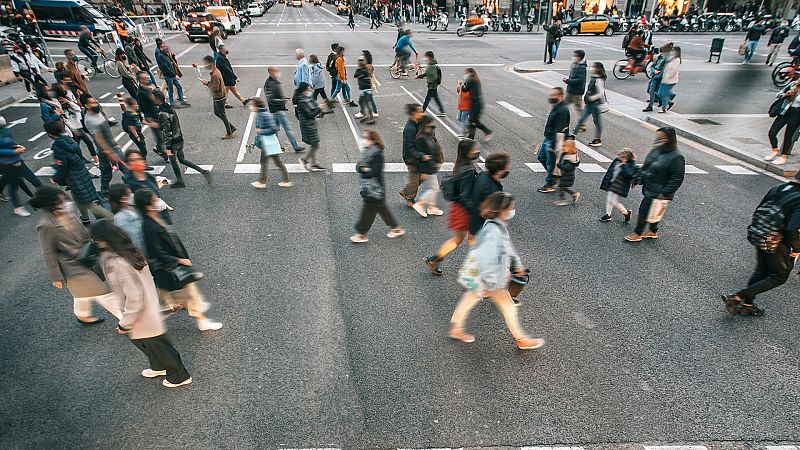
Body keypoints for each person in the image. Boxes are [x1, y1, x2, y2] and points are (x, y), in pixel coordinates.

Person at [91, 219, 193, 388]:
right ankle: (159, 366)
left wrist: (125, 323)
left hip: (140, 314)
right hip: (148, 308)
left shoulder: (117, 263)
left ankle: (179, 376)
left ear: (103, 240)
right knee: (150, 343)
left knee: (157, 346)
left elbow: (134, 296)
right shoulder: (128, 251)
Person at [449, 191, 544, 350]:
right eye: (511, 207)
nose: (513, 210)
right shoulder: (493, 231)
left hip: (485, 277)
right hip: (490, 278)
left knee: (470, 298)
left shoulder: (497, 225)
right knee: (508, 307)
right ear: (501, 210)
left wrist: (518, 265)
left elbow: (508, 247)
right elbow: (487, 259)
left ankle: (456, 328)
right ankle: (521, 339)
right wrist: (492, 284)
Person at [135, 188, 223, 331]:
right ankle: (202, 321)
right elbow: (156, 252)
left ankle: (149, 318)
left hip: (169, 269)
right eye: (154, 200)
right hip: (170, 268)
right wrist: (180, 261)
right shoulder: (148, 226)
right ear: (148, 205)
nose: (158, 201)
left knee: (172, 299)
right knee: (190, 295)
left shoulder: (154, 218)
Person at [31, 185, 121, 325]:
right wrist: (56, 276)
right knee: (102, 291)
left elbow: (84, 232)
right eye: (60, 199)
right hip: (71, 265)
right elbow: (48, 252)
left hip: (86, 256)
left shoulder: (68, 213)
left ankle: (82, 315)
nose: (64, 201)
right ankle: (127, 320)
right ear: (51, 204)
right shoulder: (46, 225)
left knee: (84, 292)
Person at [721, 174, 800, 316]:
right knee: (779, 277)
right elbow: (792, 228)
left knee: (761, 271)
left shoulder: (779, 188)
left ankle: (747, 304)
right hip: (776, 241)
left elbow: (760, 208)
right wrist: (796, 248)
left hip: (759, 233)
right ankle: (737, 297)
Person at [425, 139, 480, 275]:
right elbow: (465, 195)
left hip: (458, 208)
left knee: (459, 240)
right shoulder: (467, 169)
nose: (478, 151)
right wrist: (475, 213)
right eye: (475, 149)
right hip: (464, 210)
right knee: (473, 241)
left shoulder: (461, 165)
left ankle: (434, 259)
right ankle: (474, 274)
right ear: (468, 152)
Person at [625, 127, 685, 242]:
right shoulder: (656, 149)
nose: (658, 140)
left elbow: (677, 178)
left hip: (660, 190)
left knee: (644, 210)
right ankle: (653, 231)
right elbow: (647, 166)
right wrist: (637, 178)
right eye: (658, 137)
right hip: (650, 185)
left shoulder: (677, 157)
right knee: (655, 211)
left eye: (661, 138)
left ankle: (637, 233)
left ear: (669, 139)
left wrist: (665, 193)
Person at [46, 120, 112, 223]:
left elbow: (63, 167)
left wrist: (55, 178)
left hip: (74, 178)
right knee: (77, 197)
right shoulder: (70, 141)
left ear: (50, 134)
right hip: (81, 173)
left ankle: (111, 217)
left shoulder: (58, 148)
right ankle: (85, 218)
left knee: (88, 203)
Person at [350, 129, 406, 243]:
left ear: (373, 140)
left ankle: (361, 234)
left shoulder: (377, 154)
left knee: (368, 211)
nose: (363, 140)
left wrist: (364, 170)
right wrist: (363, 169)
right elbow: (359, 166)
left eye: (366, 138)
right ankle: (396, 228)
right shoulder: (367, 151)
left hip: (375, 189)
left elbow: (374, 172)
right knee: (381, 208)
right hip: (370, 187)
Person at [154, 90, 212, 188]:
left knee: (173, 161)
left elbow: (167, 131)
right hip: (179, 138)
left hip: (172, 143)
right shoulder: (170, 108)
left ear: (157, 99)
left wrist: (167, 147)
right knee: (182, 159)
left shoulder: (162, 113)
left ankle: (180, 180)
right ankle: (203, 171)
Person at [83, 94, 123, 196]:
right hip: (106, 150)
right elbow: (98, 138)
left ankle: (104, 190)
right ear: (86, 106)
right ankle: (104, 191)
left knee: (108, 171)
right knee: (108, 172)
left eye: (95, 101)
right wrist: (109, 151)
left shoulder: (97, 112)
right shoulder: (89, 120)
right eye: (92, 103)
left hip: (111, 146)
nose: (95, 104)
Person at [0, 116, 40, 216]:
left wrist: (16, 146)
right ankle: (17, 207)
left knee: (34, 179)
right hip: (6, 164)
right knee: (14, 184)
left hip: (17, 160)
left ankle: (48, 198)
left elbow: (9, 141)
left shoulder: (5, 129)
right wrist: (13, 151)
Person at [250, 97, 292, 189]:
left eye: (252, 105)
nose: (251, 107)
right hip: (267, 142)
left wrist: (261, 131)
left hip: (268, 143)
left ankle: (262, 182)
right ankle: (285, 180)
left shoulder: (263, 115)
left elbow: (274, 129)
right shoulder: (261, 114)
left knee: (266, 162)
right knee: (274, 162)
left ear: (256, 106)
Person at [264, 66, 305, 152]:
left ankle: (274, 146)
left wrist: (282, 98)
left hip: (276, 110)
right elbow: (271, 99)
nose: (278, 73)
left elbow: (274, 96)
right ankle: (295, 146)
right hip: (278, 110)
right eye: (276, 71)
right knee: (288, 128)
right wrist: (282, 101)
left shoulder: (273, 81)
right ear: (270, 72)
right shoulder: (269, 83)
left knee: (275, 130)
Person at [537, 87, 570, 193]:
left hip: (553, 140)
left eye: (553, 95)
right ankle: (556, 176)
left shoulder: (562, 110)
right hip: (548, 138)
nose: (551, 97)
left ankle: (549, 184)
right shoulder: (557, 106)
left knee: (551, 163)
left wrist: (554, 145)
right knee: (541, 157)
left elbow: (560, 130)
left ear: (560, 96)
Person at [411, 116, 444, 217]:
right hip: (427, 168)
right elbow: (419, 155)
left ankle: (431, 208)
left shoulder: (429, 135)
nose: (433, 127)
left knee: (433, 188)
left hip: (431, 167)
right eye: (431, 125)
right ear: (425, 125)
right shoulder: (421, 139)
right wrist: (424, 171)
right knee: (433, 189)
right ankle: (420, 204)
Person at [470, 151, 510, 235]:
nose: (509, 168)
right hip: (481, 228)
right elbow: (490, 213)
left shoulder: (483, 174)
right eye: (506, 167)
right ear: (499, 171)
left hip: (475, 221)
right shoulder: (490, 191)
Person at [200, 55, 236, 139]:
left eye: (206, 63)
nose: (205, 65)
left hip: (219, 97)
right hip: (219, 96)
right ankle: (231, 127)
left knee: (223, 115)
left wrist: (207, 83)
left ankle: (229, 132)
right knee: (217, 113)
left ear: (211, 63)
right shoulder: (216, 71)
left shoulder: (215, 74)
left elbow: (215, 88)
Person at [766, 79, 800, 166]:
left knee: (788, 136)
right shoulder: (793, 84)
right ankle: (774, 150)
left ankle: (783, 157)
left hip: (796, 115)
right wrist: (786, 94)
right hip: (784, 112)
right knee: (772, 133)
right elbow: (778, 94)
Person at [295, 82, 328, 172]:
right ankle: (305, 160)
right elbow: (310, 114)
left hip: (310, 125)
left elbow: (312, 110)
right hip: (307, 126)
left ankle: (313, 163)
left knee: (314, 144)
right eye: (308, 89)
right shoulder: (302, 101)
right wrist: (319, 108)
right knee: (316, 145)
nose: (310, 90)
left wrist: (319, 108)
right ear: (304, 90)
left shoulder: (306, 98)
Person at [572, 61, 606, 147]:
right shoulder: (594, 77)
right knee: (582, 119)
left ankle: (597, 139)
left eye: (593, 67)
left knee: (597, 122)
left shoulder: (599, 80)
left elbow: (600, 93)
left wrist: (591, 98)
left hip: (595, 105)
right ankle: (573, 136)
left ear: (598, 69)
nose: (591, 68)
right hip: (590, 104)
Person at [599, 148, 636, 222]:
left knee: (613, 201)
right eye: (620, 156)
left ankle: (626, 213)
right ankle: (608, 215)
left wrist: (623, 165)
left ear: (627, 158)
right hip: (613, 183)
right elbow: (610, 171)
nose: (620, 158)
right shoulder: (617, 160)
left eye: (622, 157)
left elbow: (628, 174)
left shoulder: (630, 164)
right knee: (609, 199)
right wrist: (607, 180)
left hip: (620, 185)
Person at [136, 71, 167, 162]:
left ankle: (160, 149)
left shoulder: (149, 88)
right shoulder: (141, 93)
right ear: (141, 80)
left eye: (148, 77)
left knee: (164, 133)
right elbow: (142, 108)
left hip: (158, 113)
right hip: (152, 117)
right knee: (160, 137)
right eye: (145, 79)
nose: (148, 79)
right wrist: (148, 121)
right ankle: (163, 152)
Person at [400, 103, 425, 207]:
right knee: (415, 180)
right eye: (420, 112)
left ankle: (405, 190)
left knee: (421, 178)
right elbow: (409, 148)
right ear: (413, 113)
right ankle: (409, 198)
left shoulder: (417, 123)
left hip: (416, 157)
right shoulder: (410, 128)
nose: (422, 114)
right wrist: (421, 156)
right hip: (412, 158)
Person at [108, 184, 144, 250]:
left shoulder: (132, 208)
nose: (132, 196)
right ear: (122, 199)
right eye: (129, 194)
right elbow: (134, 239)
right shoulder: (120, 218)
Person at [461, 68, 492, 141]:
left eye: (466, 73)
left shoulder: (471, 80)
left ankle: (487, 131)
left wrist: (462, 84)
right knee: (472, 120)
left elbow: (464, 89)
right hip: (477, 103)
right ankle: (471, 137)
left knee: (474, 120)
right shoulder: (475, 80)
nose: (465, 75)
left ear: (470, 73)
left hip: (476, 104)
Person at [156, 42, 189, 108]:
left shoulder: (164, 54)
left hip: (171, 75)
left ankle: (181, 100)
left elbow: (169, 64)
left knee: (178, 87)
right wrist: (174, 74)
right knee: (171, 89)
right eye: (163, 47)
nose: (165, 47)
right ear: (160, 48)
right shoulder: (160, 56)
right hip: (168, 75)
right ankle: (172, 103)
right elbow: (165, 68)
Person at [643, 43, 673, 112]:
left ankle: (650, 106)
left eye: (662, 52)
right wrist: (654, 71)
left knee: (652, 91)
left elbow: (666, 69)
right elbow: (652, 66)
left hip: (659, 77)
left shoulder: (667, 59)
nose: (661, 53)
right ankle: (668, 102)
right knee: (650, 90)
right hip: (654, 75)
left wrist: (659, 73)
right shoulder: (659, 57)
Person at [121, 97, 149, 165]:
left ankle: (142, 162)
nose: (136, 105)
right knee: (143, 150)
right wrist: (137, 136)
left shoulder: (136, 112)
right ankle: (142, 163)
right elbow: (131, 127)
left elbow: (141, 120)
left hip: (139, 133)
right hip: (135, 134)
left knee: (143, 148)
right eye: (135, 104)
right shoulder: (129, 115)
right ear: (131, 105)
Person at [418, 51, 445, 116]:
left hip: (432, 85)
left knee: (427, 99)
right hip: (434, 84)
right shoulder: (433, 63)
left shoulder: (431, 65)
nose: (425, 58)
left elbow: (428, 74)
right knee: (436, 97)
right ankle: (442, 111)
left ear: (429, 57)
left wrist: (419, 76)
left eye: (426, 56)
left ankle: (422, 111)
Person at [563, 50, 587, 119]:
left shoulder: (582, 67)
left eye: (575, 56)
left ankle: (582, 126)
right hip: (570, 90)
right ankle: (560, 120)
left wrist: (568, 81)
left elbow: (580, 80)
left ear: (579, 58)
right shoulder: (576, 64)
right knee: (563, 106)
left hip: (577, 92)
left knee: (579, 109)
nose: (573, 57)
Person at [657, 46, 681, 113]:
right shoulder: (670, 58)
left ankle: (664, 109)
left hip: (670, 80)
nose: (672, 52)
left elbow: (674, 71)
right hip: (665, 79)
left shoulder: (677, 60)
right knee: (659, 94)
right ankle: (670, 97)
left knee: (664, 95)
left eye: (674, 51)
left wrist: (668, 77)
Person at [353, 56, 376, 124]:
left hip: (366, 89)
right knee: (361, 102)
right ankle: (365, 114)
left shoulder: (365, 70)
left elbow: (357, 75)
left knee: (366, 103)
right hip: (363, 89)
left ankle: (371, 118)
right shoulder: (360, 70)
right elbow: (355, 75)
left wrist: (360, 75)